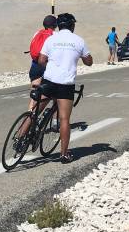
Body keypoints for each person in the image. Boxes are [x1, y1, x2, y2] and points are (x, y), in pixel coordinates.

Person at [36, 13, 92, 164]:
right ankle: (64, 154)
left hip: (48, 81)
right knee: (64, 119)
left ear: (59, 25)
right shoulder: (78, 40)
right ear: (72, 25)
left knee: (35, 112)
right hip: (65, 85)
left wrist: (52, 64)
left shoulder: (51, 38)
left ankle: (20, 138)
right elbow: (89, 62)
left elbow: (41, 60)